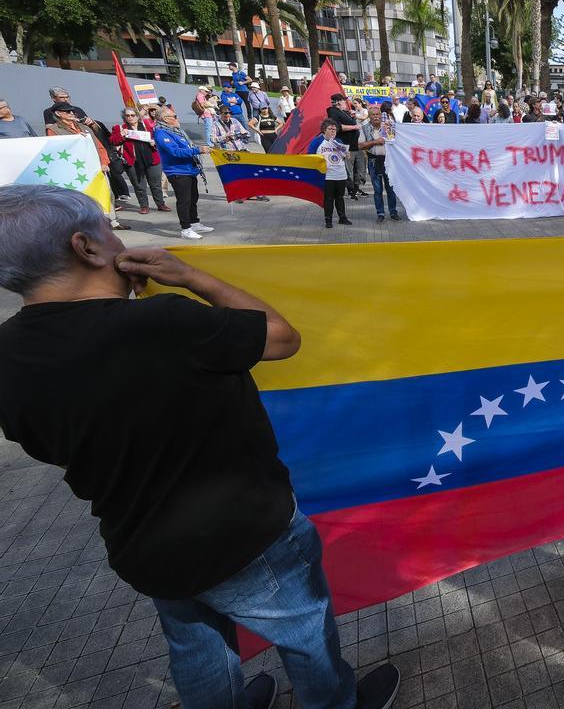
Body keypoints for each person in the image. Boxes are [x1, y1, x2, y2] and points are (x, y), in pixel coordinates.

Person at [0, 184, 401, 709]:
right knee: (304, 636)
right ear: (87, 248)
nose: (117, 237)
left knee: (196, 646)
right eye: (108, 228)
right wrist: (190, 277)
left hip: (139, 538)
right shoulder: (164, 321)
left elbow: (47, 444)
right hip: (247, 533)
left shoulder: (7, 352)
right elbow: (281, 337)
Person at [46, 105, 129, 231]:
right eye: (67, 111)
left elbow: (100, 146)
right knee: (83, 197)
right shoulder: (54, 130)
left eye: (72, 111)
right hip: (75, 169)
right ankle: (91, 224)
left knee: (107, 193)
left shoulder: (85, 128)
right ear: (58, 113)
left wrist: (104, 162)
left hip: (96, 167)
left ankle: (113, 221)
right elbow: (56, 149)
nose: (72, 113)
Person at [153, 107, 212, 240]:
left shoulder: (176, 130)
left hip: (189, 170)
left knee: (193, 198)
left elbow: (186, 146)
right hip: (177, 171)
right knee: (184, 201)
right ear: (165, 119)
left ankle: (194, 222)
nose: (177, 118)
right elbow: (174, 152)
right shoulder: (161, 133)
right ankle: (185, 228)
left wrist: (196, 150)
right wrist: (197, 151)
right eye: (174, 116)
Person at [110, 107, 168, 215]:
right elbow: (113, 142)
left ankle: (160, 204)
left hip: (152, 159)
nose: (130, 117)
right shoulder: (119, 128)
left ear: (137, 116)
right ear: (124, 117)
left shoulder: (147, 126)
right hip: (133, 162)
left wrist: (154, 142)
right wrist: (122, 135)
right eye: (127, 115)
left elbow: (159, 139)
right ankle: (144, 206)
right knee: (139, 186)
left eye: (132, 115)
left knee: (155, 184)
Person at [359, 105, 400, 222]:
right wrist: (376, 142)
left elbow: (397, 141)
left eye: (378, 114)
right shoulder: (364, 127)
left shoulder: (388, 126)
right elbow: (361, 145)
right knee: (377, 190)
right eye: (373, 115)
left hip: (389, 161)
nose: (376, 117)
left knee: (391, 189)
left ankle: (393, 212)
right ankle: (380, 213)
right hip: (373, 161)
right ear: (369, 116)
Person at [308, 118, 352, 228]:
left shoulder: (339, 141)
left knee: (340, 197)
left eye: (334, 129)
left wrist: (348, 155)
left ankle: (343, 217)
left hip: (340, 174)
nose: (333, 131)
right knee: (328, 198)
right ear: (324, 130)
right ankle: (328, 220)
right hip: (327, 175)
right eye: (330, 129)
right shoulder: (317, 141)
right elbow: (310, 156)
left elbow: (345, 155)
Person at [327, 94, 364, 200]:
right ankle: (351, 191)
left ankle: (356, 189)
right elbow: (337, 126)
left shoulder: (342, 111)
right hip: (346, 145)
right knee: (349, 170)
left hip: (354, 145)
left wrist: (352, 115)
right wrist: (355, 127)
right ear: (339, 102)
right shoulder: (332, 111)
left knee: (358, 170)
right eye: (344, 101)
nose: (346, 103)